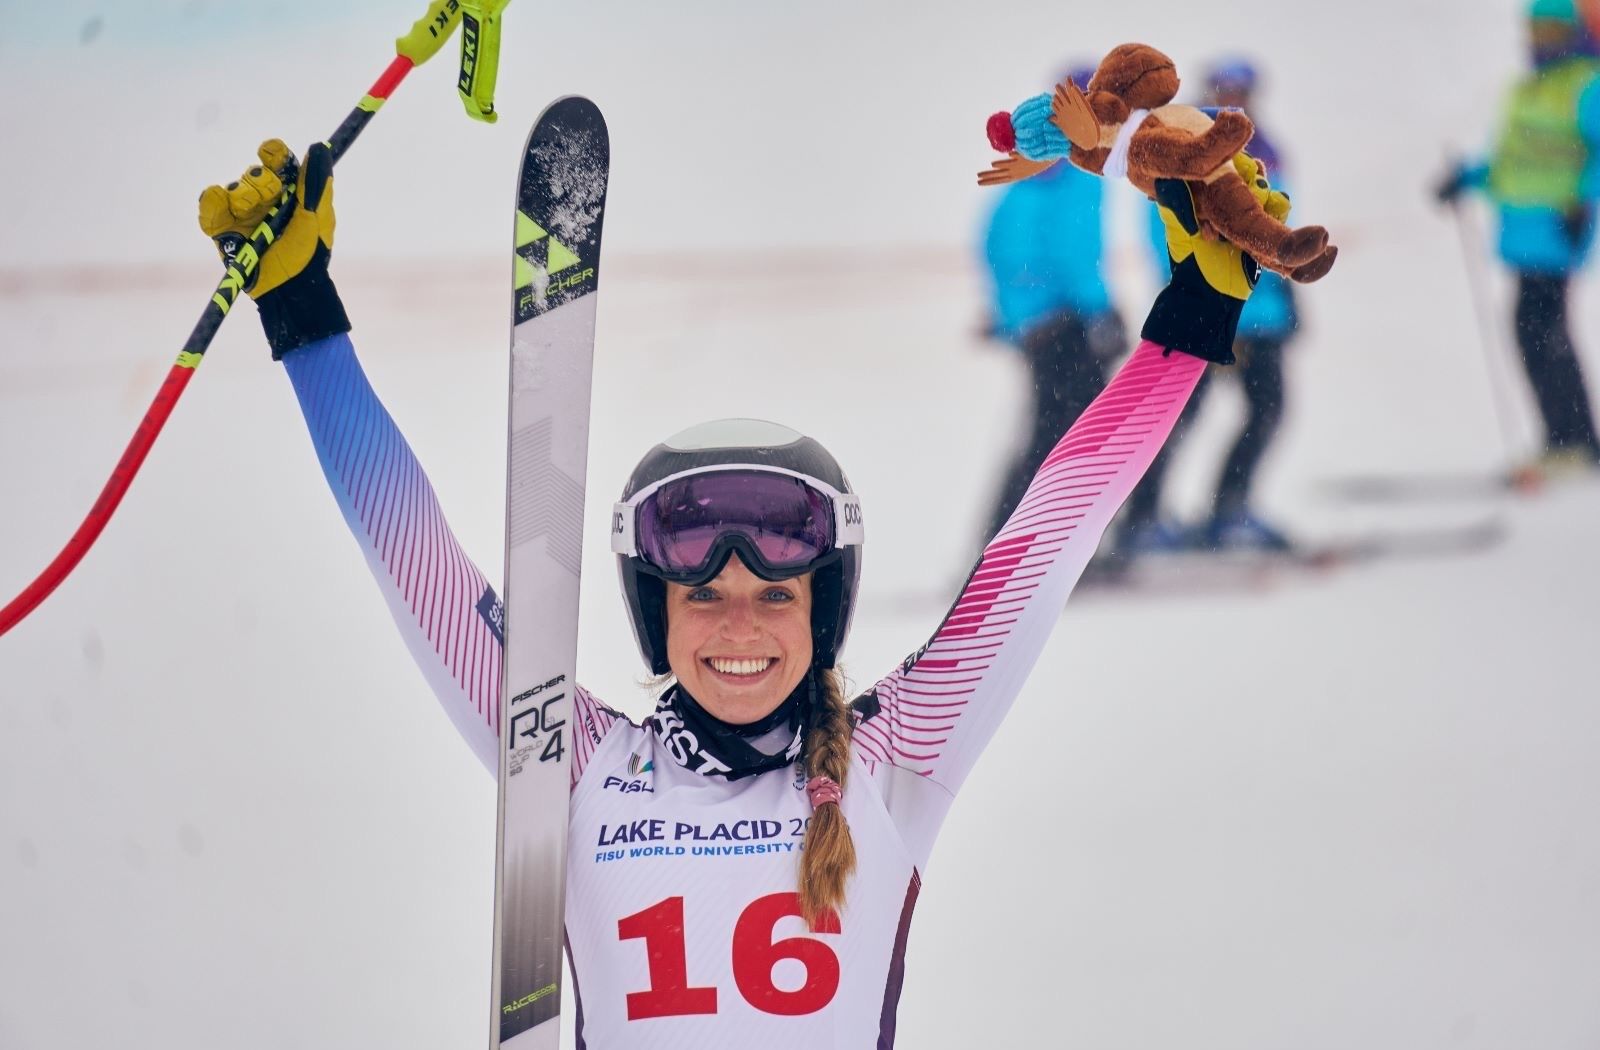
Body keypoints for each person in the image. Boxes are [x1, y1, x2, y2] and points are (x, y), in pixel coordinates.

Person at [198, 130, 1223, 1045]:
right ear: (658, 613)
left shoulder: (896, 755)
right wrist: (301, 312)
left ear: (823, 613)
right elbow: (414, 556)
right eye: (704, 596)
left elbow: (1044, 541)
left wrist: (1188, 321)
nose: (740, 624)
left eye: (778, 595)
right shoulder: (574, 762)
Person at [1118, 57, 1303, 554]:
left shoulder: (1267, 154)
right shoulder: (1182, 151)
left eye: (1242, 92)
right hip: (1210, 307)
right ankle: (1141, 520)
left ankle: (1229, 509)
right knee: (1175, 417)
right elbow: (1165, 237)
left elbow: (1282, 228)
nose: (1234, 101)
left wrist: (1288, 291)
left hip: (1261, 312)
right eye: (1226, 91)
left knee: (1267, 409)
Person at [1437, 0, 1600, 469]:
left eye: (1551, 28)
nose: (1540, 37)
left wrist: (1583, 199)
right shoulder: (1525, 89)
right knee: (1533, 334)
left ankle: (1575, 442)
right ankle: (1565, 440)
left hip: (1558, 229)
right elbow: (1509, 162)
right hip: (1520, 231)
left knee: (1545, 334)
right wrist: (1465, 179)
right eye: (1534, 27)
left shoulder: (1586, 86)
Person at [978, 64, 1128, 546]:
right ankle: (1037, 546)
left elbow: (995, 247)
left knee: (1048, 435)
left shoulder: (1032, 172)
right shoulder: (1075, 173)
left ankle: (1007, 543)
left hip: (1040, 327)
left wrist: (1012, 317)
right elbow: (1075, 250)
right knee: (1077, 439)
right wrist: (1101, 310)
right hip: (1068, 326)